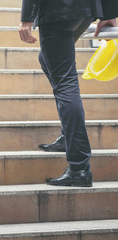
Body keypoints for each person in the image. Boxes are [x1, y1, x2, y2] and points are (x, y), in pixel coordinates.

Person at [19, 0, 118, 187]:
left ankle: (79, 167)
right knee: (47, 59)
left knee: (65, 83)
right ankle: (69, 137)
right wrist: (109, 13)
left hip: (57, 10)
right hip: (85, 10)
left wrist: (26, 19)